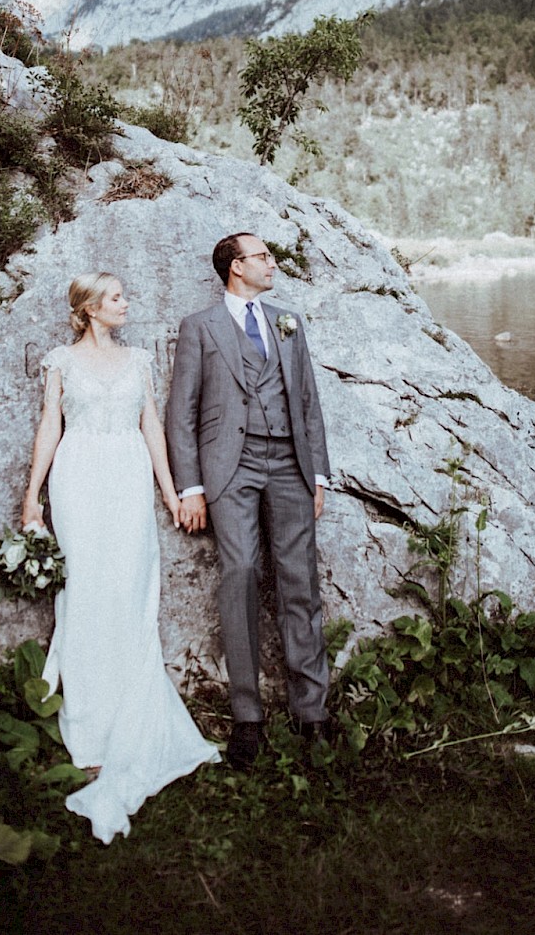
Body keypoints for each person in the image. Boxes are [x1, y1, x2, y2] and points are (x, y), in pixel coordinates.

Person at [22, 272, 219, 842]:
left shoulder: (138, 361)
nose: (126, 303)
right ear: (88, 309)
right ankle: (90, 731)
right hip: (78, 478)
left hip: (129, 479)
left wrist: (172, 491)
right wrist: (31, 496)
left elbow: (152, 427)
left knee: (132, 592)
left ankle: (132, 721)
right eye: (115, 298)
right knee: (84, 593)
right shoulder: (60, 359)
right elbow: (49, 426)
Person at [166, 232, 331, 770]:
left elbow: (307, 401)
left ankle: (312, 712)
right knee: (239, 574)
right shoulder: (199, 327)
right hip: (229, 469)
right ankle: (247, 717)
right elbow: (181, 413)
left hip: (289, 465)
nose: (271, 263)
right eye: (262, 256)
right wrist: (191, 487)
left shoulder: (289, 321)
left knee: (298, 579)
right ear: (236, 267)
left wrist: (318, 476)